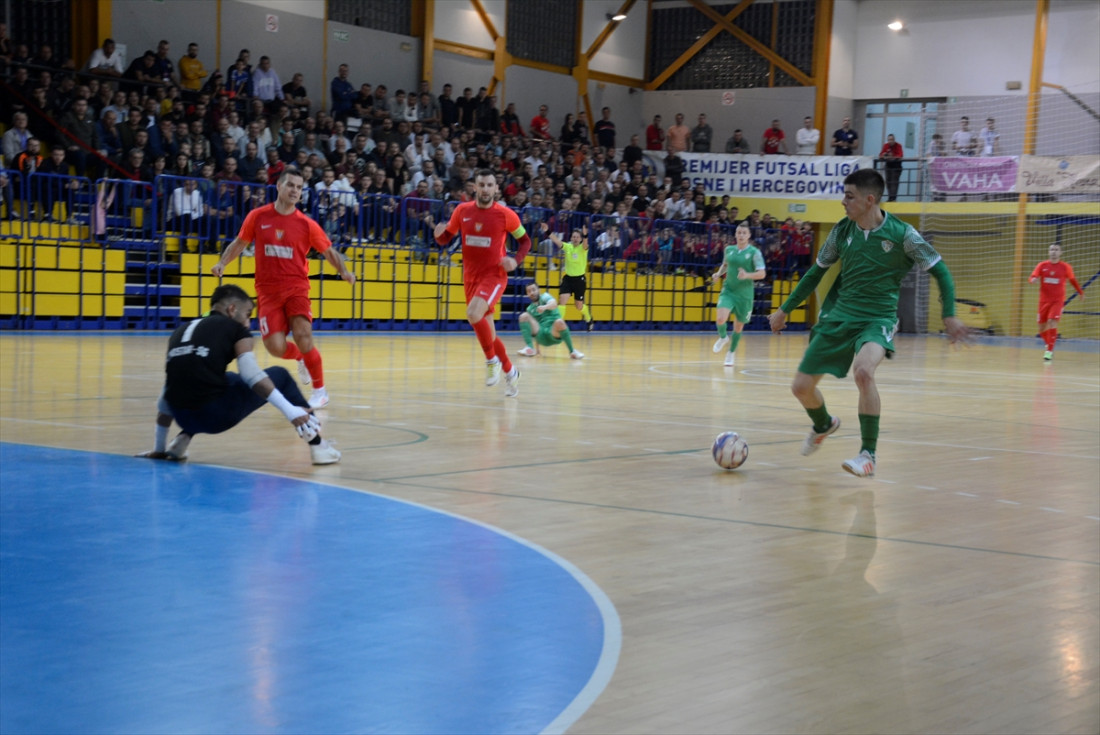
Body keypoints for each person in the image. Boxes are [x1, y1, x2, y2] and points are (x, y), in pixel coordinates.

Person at [767, 168, 970, 478]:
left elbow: (940, 271)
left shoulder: (904, 235)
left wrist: (950, 314)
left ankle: (868, 454)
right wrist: (784, 310)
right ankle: (824, 424)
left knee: (863, 372)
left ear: (869, 199)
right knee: (801, 388)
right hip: (839, 316)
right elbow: (815, 274)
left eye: (849, 196)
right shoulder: (840, 232)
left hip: (878, 318)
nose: (843, 202)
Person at [136, 284, 340, 465]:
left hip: (182, 417)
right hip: (213, 417)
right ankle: (318, 445)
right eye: (248, 315)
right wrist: (291, 411)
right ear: (232, 310)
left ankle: (182, 439)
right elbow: (252, 376)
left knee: (226, 379)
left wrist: (158, 449)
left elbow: (167, 395)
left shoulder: (181, 330)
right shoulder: (235, 329)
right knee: (281, 375)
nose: (248, 323)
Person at [211, 169, 356, 409]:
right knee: (275, 348)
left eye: (299, 187)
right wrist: (222, 263)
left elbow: (329, 251)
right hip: (268, 291)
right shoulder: (258, 216)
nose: (295, 191)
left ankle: (320, 391)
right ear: (278, 186)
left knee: (303, 334)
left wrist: (344, 271)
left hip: (297, 287)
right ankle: (299, 357)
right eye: (290, 185)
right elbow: (240, 242)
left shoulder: (306, 224)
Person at [433, 169, 532, 397]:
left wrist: (515, 261)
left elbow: (525, 241)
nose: (486, 189)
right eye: (482, 185)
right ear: (474, 188)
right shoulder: (462, 211)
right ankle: (511, 372)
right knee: (490, 333)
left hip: (494, 275)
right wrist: (438, 235)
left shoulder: (505, 215)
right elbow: (446, 238)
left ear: (496, 189)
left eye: (490, 185)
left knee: (473, 313)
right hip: (470, 277)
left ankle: (491, 361)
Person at [711, 223, 766, 367]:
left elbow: (762, 273)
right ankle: (723, 338)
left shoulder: (755, 252)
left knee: (738, 326)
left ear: (749, 235)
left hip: (745, 295)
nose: (741, 235)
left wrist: (747, 275)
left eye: (744, 233)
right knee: (721, 318)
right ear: (735, 234)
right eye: (738, 232)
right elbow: (725, 265)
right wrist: (718, 273)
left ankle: (731, 353)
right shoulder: (728, 249)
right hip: (728, 290)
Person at [1029, 243, 1086, 361]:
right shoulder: (1042, 265)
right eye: (1051, 249)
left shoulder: (1066, 267)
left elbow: (1073, 280)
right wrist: (1032, 280)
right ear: (1048, 252)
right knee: (1041, 328)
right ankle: (1049, 344)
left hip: (1058, 301)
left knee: (1052, 322)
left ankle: (1049, 351)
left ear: (1060, 253)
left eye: (1056, 250)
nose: (1054, 252)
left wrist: (1080, 292)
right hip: (1043, 301)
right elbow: (1032, 277)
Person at [516, 282, 585, 359]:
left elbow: (554, 304)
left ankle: (572, 351)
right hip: (541, 335)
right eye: (529, 291)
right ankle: (530, 348)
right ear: (527, 294)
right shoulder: (530, 308)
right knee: (523, 316)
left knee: (560, 322)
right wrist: (537, 348)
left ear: (539, 290)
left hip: (553, 332)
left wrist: (545, 307)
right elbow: (534, 327)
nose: (532, 293)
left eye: (533, 290)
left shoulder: (545, 297)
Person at [548, 226, 595, 331]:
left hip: (579, 280)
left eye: (577, 237)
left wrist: (585, 235)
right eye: (573, 237)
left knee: (578, 306)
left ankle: (589, 319)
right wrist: (547, 230)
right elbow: (556, 241)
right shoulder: (567, 247)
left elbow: (586, 243)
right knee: (562, 300)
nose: (575, 239)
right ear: (571, 238)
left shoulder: (583, 248)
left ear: (581, 239)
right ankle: (559, 325)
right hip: (568, 279)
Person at [879, 133, 904, 202]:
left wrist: (892, 156)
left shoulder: (898, 146)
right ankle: (890, 197)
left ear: (894, 140)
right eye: (889, 140)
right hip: (888, 165)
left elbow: (900, 155)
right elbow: (880, 155)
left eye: (892, 140)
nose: (890, 141)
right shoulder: (886, 146)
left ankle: (893, 198)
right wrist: (884, 155)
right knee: (888, 181)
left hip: (896, 166)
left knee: (894, 182)